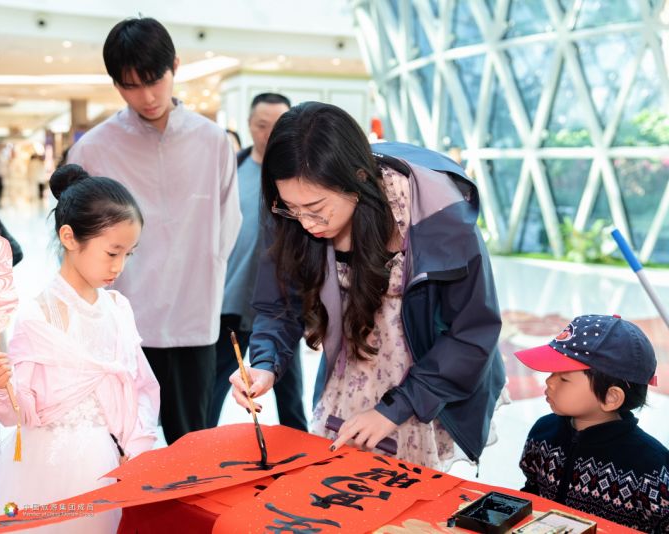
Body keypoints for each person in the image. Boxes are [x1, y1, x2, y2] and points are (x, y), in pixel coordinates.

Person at [230, 102, 505, 470]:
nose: (305, 222)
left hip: (428, 380)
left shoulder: (437, 215)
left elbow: (472, 331)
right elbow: (279, 303)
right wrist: (264, 363)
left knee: (407, 490)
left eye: (316, 208)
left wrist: (397, 406)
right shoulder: (292, 208)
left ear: (358, 179)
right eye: (291, 209)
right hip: (350, 372)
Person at [0, 164, 160, 532]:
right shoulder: (40, 315)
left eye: (129, 254)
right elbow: (21, 412)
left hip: (110, 460)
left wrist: (134, 447)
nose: (120, 266)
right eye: (112, 253)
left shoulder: (118, 309)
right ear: (70, 237)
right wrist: (1, 384)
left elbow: (141, 387)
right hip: (49, 464)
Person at [68, 17, 241, 444]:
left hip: (193, 319)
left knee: (192, 446)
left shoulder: (213, 141)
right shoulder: (94, 149)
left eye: (154, 81)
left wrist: (205, 275)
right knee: (121, 447)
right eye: (130, 86)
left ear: (175, 66)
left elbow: (228, 225)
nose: (146, 97)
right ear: (115, 85)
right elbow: (78, 243)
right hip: (120, 326)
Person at [515, 314, 668, 533]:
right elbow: (532, 492)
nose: (549, 381)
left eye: (564, 378)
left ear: (611, 397)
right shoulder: (543, 432)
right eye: (552, 372)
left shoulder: (651, 466)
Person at [210, 93, 307, 431]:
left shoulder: (299, 178)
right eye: (262, 125)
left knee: (290, 395)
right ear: (249, 125)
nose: (268, 134)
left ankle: (301, 451)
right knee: (216, 386)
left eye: (277, 125)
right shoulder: (232, 171)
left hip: (283, 304)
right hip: (233, 299)